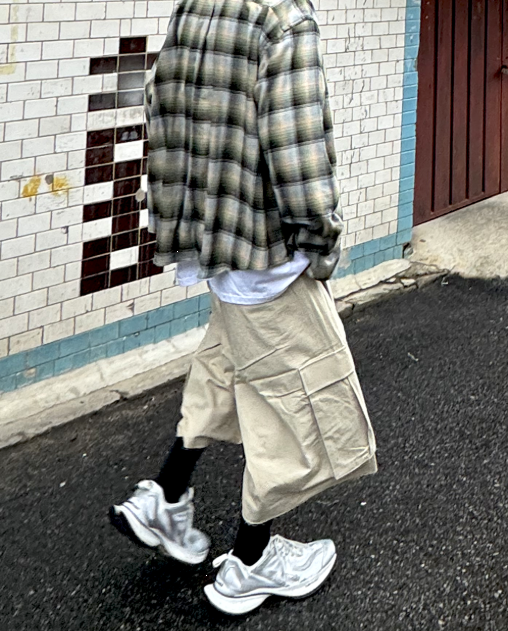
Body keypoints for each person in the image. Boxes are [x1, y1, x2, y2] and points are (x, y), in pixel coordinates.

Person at [110, 0, 377, 615]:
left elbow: (161, 107)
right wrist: (322, 244)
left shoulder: (198, 6)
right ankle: (251, 564)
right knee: (294, 401)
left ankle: (165, 497)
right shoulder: (284, 20)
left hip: (216, 240)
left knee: (226, 368)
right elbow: (298, 150)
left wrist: (185, 220)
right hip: (266, 250)